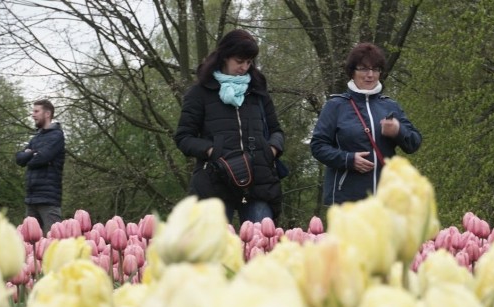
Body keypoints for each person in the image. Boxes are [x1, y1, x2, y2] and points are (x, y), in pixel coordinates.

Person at [174, 29, 285, 224]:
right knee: (213, 251)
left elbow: (276, 131)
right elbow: (184, 137)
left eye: (249, 62)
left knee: (262, 248)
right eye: (239, 61)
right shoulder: (199, 93)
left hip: (259, 182)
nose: (244, 67)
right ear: (225, 57)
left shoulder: (258, 92)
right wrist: (212, 150)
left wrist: (272, 150)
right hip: (214, 182)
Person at [311, 43, 422, 206]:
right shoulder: (335, 106)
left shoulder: (390, 106)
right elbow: (318, 146)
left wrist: (398, 131)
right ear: (352, 72)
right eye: (363, 69)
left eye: (375, 69)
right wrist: (348, 159)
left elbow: (414, 143)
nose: (370, 75)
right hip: (347, 201)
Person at [16, 99, 65, 234]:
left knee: (54, 240)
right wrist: (33, 154)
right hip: (31, 197)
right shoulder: (36, 138)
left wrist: (29, 155)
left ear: (47, 113)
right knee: (29, 244)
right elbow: (19, 159)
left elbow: (42, 158)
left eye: (36, 111)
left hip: (48, 198)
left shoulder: (57, 136)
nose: (33, 114)